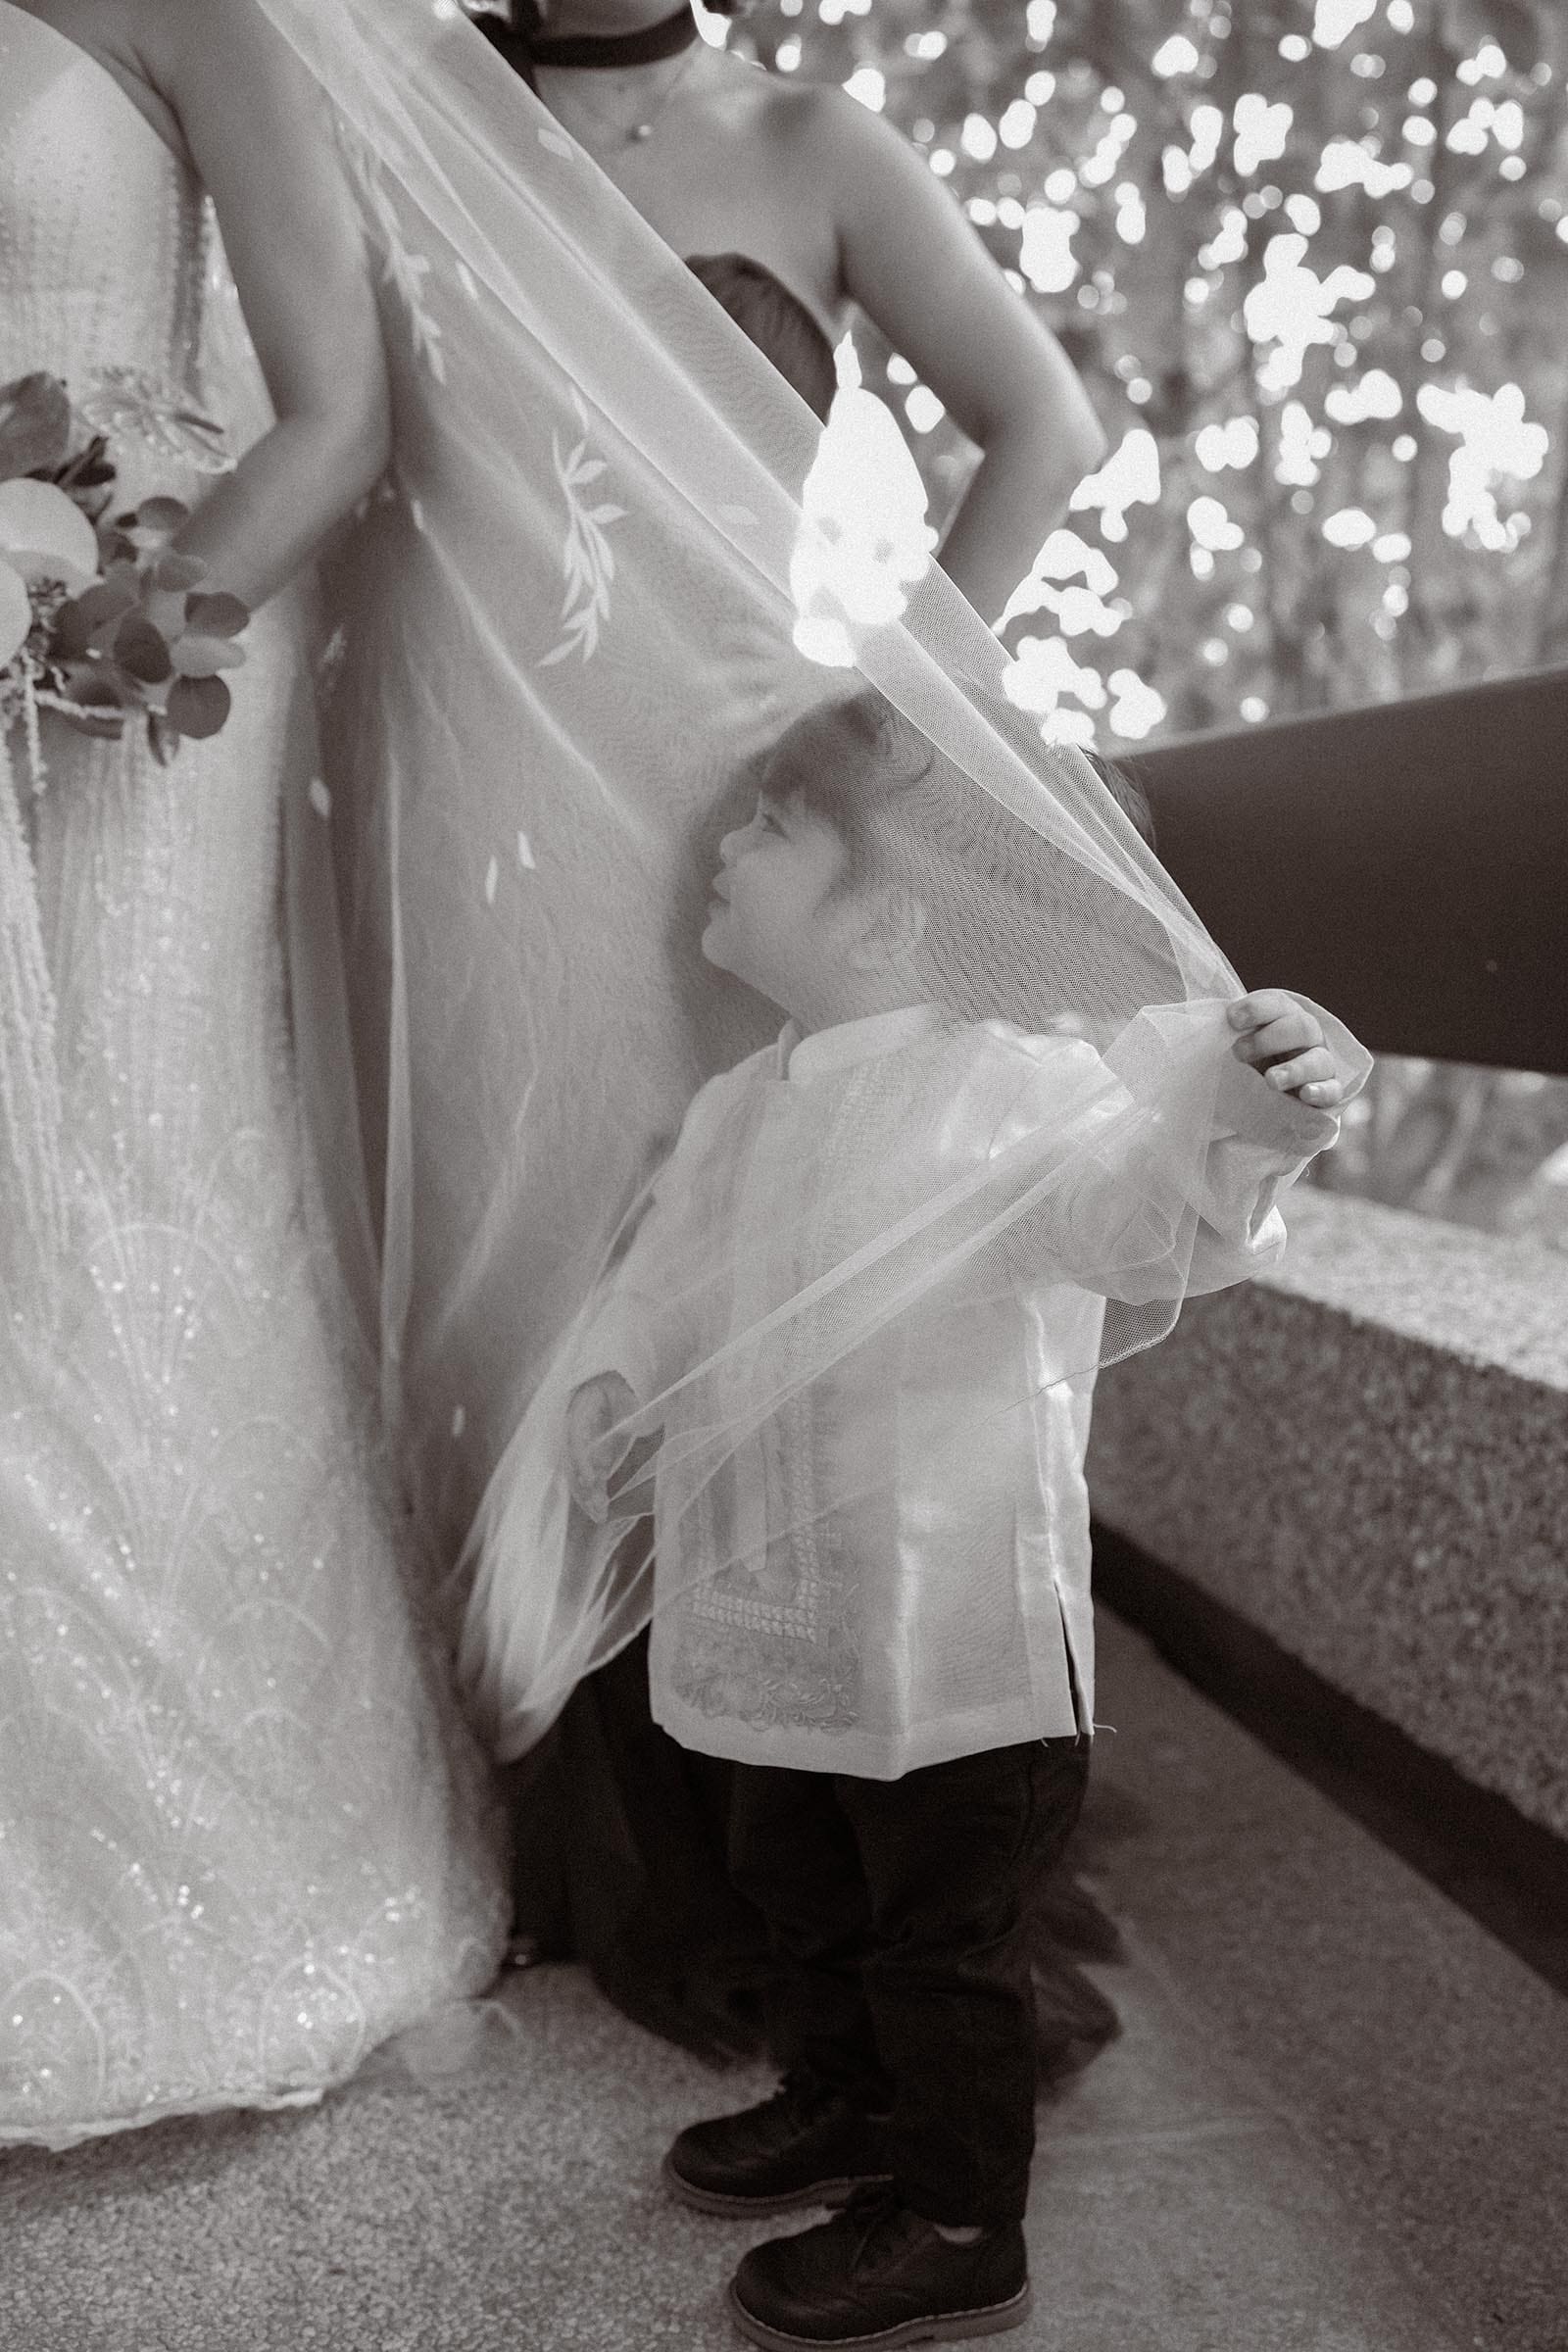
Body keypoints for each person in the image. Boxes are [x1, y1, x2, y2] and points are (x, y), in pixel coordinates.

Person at [486, 687, 1368, 2348]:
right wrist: (611, 1386)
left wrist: (1259, 1109)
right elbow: (668, 1288)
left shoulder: (1011, 1096)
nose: (728, 846)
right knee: (796, 1887)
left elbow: (1140, 1207)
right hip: (779, 1606)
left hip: (955, 1639)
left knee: (941, 1938)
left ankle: (962, 2218)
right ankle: (843, 2102)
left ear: (888, 919)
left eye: (773, 827)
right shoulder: (747, 1105)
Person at [472, 0, 1120, 2061]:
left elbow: (1043, 425)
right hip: (482, 794)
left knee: (738, 1286)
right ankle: (544, 1837)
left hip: (727, 801)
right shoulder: (426, 105)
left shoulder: (805, 142)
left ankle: (796, 1873)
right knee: (525, 1281)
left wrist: (901, 709)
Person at [0, 0, 506, 2143]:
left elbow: (339, 413)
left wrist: (98, 632)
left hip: (154, 642)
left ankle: (227, 1884)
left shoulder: (189, 8)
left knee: (129, 1159)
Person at [473, 0, 1107, 617]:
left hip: (719, 681)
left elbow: (1050, 430)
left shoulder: (816, 145)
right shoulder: (439, 85)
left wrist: (900, 684)